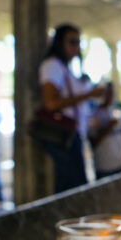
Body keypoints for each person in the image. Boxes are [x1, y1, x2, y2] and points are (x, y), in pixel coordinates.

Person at [38, 24, 105, 193]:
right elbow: (51, 103)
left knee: (75, 186)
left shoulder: (64, 67)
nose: (76, 47)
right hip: (63, 135)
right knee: (72, 188)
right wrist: (88, 94)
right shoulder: (52, 65)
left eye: (78, 42)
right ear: (60, 43)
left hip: (72, 134)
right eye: (72, 42)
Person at [87, 83, 121, 180]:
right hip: (103, 167)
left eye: (111, 93)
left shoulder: (117, 113)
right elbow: (93, 143)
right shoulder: (94, 115)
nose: (109, 96)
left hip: (119, 165)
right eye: (106, 93)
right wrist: (108, 127)